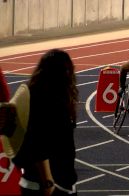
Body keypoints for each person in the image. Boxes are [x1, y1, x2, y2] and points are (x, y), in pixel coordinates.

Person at [12, 49, 79, 196]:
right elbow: (38, 143)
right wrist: (47, 182)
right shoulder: (51, 102)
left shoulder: (32, 94)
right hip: (50, 185)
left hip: (35, 181)